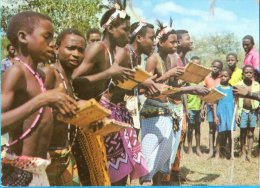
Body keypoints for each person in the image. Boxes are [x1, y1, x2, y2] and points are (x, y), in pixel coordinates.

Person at [72, 3, 147, 186]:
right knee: (97, 175)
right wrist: (109, 73)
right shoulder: (97, 48)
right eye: (125, 30)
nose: (129, 35)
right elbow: (74, 79)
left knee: (113, 172)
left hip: (104, 115)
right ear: (111, 28)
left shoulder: (116, 52)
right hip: (88, 117)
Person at [1, 11, 78, 186]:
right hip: (20, 172)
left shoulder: (40, 76)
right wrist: (42, 100)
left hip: (40, 169)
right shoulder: (16, 72)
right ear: (23, 37)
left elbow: (38, 120)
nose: (52, 45)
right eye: (47, 37)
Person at [42, 28, 86, 186]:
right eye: (71, 48)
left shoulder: (68, 78)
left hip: (65, 155)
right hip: (46, 159)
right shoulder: (49, 74)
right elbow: (32, 116)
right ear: (56, 48)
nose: (76, 54)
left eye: (81, 50)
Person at [235, 65, 259, 161]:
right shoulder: (238, 85)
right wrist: (237, 114)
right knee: (243, 132)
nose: (248, 74)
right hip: (243, 111)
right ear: (243, 74)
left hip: (253, 111)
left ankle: (249, 153)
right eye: (246, 72)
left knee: (251, 133)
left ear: (253, 74)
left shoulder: (257, 85)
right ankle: (242, 153)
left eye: (250, 72)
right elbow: (236, 100)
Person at [213, 69, 236, 159]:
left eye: (225, 76)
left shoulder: (232, 89)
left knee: (230, 134)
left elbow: (235, 102)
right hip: (221, 113)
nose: (223, 78)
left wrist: (236, 115)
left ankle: (230, 153)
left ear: (229, 77)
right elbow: (215, 102)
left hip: (230, 113)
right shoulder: (218, 88)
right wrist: (215, 116)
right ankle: (217, 153)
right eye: (221, 76)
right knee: (220, 133)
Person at [202, 60, 223, 158]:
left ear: (221, 69)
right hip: (210, 106)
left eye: (218, 67)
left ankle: (218, 150)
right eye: (213, 66)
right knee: (211, 129)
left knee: (219, 128)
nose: (215, 68)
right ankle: (211, 151)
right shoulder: (207, 78)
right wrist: (203, 107)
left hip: (220, 107)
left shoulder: (222, 79)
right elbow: (204, 94)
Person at [186, 56, 203, 156]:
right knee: (190, 128)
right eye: (194, 64)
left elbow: (204, 94)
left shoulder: (202, 79)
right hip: (190, 108)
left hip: (198, 108)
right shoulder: (188, 79)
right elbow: (184, 94)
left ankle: (197, 148)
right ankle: (189, 148)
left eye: (198, 64)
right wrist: (186, 109)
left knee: (198, 128)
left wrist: (203, 107)